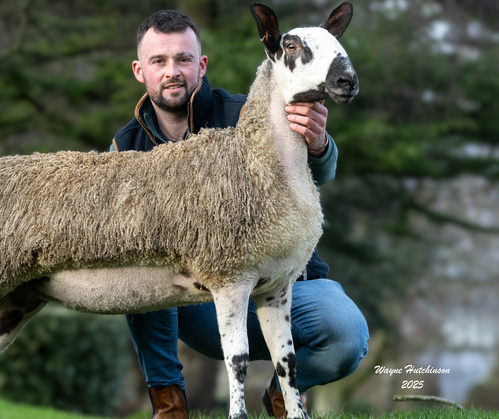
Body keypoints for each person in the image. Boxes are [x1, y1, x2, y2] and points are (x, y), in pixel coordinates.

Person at [110, 9, 369, 418]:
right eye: (159, 61)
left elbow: (318, 173)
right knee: (139, 270)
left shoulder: (251, 111)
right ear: (140, 70)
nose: (172, 71)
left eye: (184, 59)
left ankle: (283, 398)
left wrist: (318, 143)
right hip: (196, 303)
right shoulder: (125, 149)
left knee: (346, 333)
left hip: (283, 283)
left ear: (202, 64)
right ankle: (169, 406)